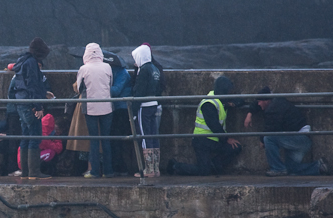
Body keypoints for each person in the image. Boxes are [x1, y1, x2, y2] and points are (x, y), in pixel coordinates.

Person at [167, 76, 243, 176]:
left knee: (236, 147)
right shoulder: (209, 103)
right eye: (229, 90)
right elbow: (214, 125)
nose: (230, 93)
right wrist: (226, 139)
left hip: (215, 140)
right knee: (204, 171)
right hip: (202, 141)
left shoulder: (221, 99)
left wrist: (233, 104)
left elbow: (240, 100)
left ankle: (214, 164)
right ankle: (175, 166)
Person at [244, 86, 328, 176]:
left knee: (268, 138)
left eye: (260, 102)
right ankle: (318, 167)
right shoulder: (276, 101)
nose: (259, 104)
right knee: (290, 169)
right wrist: (250, 113)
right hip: (301, 139)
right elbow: (258, 103)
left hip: (300, 139)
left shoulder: (274, 108)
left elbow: (271, 129)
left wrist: (261, 140)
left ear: (267, 101)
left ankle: (277, 169)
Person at [10, 37, 51, 179]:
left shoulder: (22, 61)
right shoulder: (32, 63)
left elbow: (24, 84)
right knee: (34, 137)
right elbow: (33, 85)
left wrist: (44, 93)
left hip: (21, 103)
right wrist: (38, 106)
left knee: (25, 137)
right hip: (30, 104)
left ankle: (25, 173)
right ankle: (34, 172)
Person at [76, 42, 114, 178]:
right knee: (106, 139)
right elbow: (111, 84)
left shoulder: (83, 69)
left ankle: (95, 171)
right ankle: (108, 171)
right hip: (107, 107)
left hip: (90, 108)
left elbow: (79, 88)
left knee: (94, 140)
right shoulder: (107, 67)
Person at [131, 44, 162, 177]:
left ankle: (148, 170)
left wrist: (133, 110)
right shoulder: (155, 69)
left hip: (144, 106)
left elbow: (139, 92)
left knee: (144, 136)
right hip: (154, 104)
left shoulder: (144, 70)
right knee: (153, 136)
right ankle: (155, 168)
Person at [104, 51, 133, 176]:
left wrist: (101, 87)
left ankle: (121, 168)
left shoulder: (122, 73)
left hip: (122, 109)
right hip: (115, 108)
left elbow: (116, 90)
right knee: (114, 139)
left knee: (117, 139)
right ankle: (118, 167)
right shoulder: (115, 71)